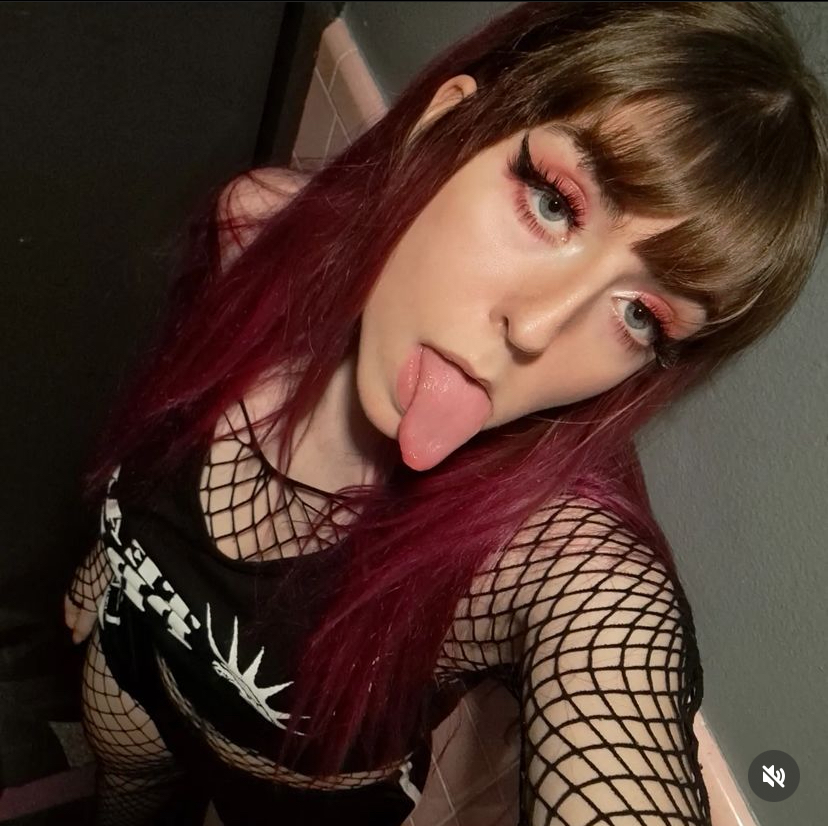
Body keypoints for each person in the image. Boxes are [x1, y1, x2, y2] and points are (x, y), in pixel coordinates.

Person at [64, 2, 828, 824]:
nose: (538, 329)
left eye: (642, 314)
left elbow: (610, 666)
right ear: (447, 121)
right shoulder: (255, 226)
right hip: (130, 674)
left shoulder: (556, 563)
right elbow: (165, 432)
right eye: (555, 204)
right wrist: (109, 562)